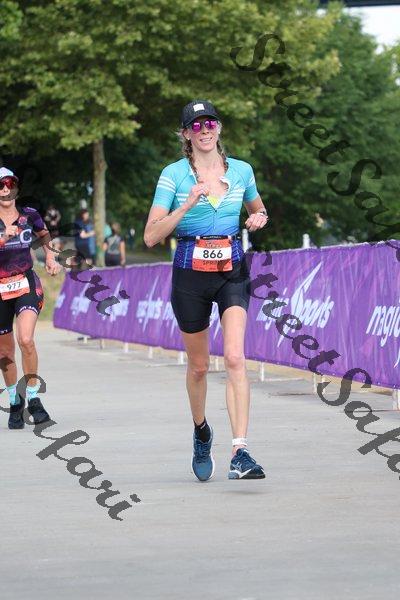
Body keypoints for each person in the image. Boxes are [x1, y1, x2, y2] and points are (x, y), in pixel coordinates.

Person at [144, 100, 269, 481]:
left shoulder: (242, 171)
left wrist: (258, 217)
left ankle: (240, 451)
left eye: (210, 123)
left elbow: (259, 208)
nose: (204, 130)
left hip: (232, 271)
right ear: (186, 134)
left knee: (234, 357)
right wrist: (185, 206)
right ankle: (201, 432)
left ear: (219, 128)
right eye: (196, 126)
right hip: (190, 276)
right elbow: (151, 236)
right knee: (199, 366)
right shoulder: (173, 175)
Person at [0, 167, 61, 429]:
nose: (5, 189)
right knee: (5, 351)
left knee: (25, 339)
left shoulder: (29, 215)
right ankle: (15, 401)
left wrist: (51, 257)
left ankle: (34, 399)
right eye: (0, 185)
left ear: (16, 187)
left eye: (9, 183)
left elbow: (44, 234)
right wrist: (4, 238)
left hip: (25, 282)